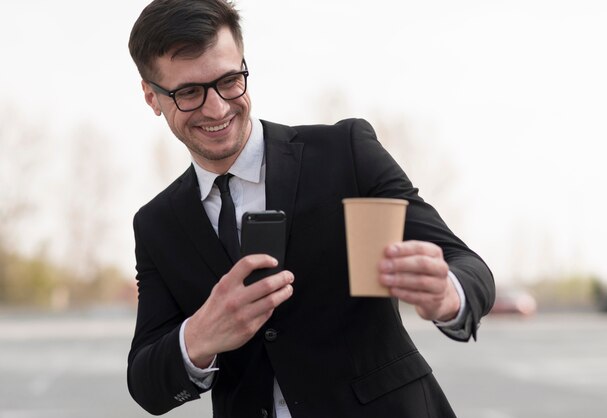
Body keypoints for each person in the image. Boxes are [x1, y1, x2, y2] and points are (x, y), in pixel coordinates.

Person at [126, 1, 495, 417]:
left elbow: (467, 263)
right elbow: (146, 384)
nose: (217, 108)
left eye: (230, 80)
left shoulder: (346, 153)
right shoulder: (157, 224)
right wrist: (198, 336)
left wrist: (447, 293)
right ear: (151, 96)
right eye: (189, 93)